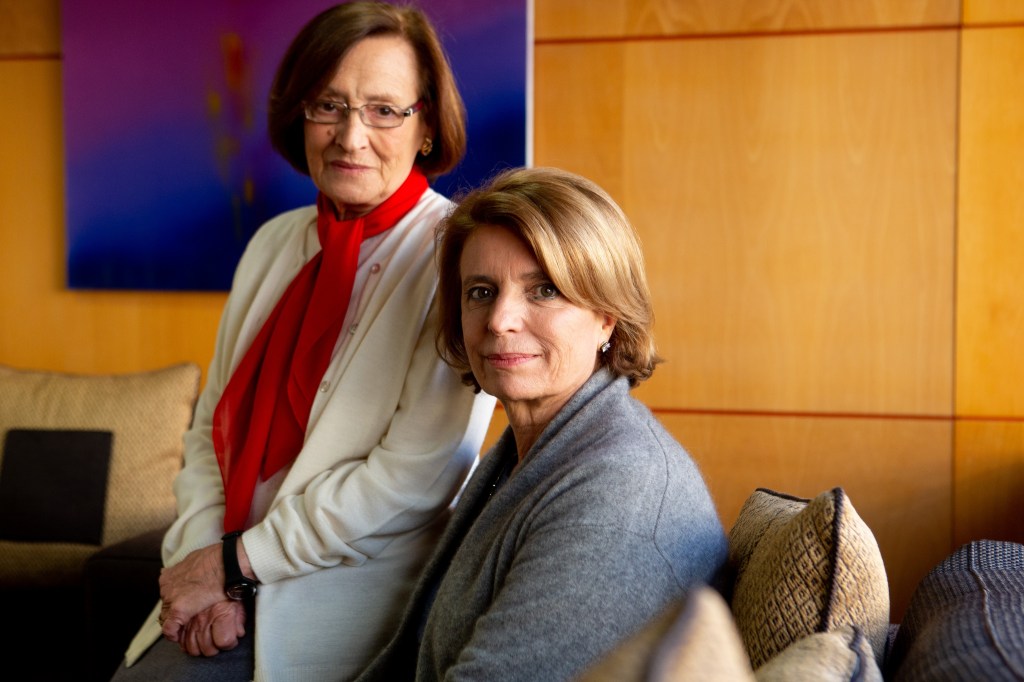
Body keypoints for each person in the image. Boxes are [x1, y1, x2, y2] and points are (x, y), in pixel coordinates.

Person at [111, 3, 495, 680]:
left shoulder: (455, 256)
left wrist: (236, 567)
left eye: (384, 110)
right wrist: (206, 562)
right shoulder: (272, 244)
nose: (351, 136)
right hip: (220, 580)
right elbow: (208, 432)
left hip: (339, 601)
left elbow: (414, 479)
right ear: (300, 114)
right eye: (329, 105)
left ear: (427, 125)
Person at [355, 166, 729, 681]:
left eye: (544, 290)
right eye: (481, 292)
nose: (499, 320)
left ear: (607, 316)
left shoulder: (618, 502)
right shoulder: (535, 448)